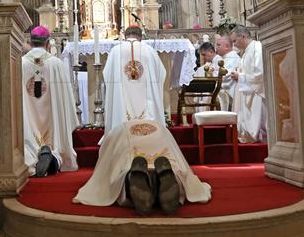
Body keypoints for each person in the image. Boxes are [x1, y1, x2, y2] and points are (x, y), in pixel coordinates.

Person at [73, 118, 211, 215]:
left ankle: (129, 178)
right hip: (158, 136)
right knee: (174, 164)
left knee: (122, 168)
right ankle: (168, 176)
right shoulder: (158, 125)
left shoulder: (118, 129)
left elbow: (104, 161)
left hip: (125, 136)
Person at [21, 26, 79, 177]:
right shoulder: (56, 64)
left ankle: (33, 156)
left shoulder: (20, 64)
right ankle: (53, 157)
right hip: (52, 125)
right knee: (56, 145)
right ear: (48, 43)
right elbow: (66, 97)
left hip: (28, 123)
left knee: (29, 140)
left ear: (30, 42)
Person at [102, 25, 166, 135]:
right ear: (140, 37)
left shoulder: (116, 51)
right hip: (147, 108)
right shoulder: (149, 50)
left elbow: (107, 74)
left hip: (122, 106)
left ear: (125, 36)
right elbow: (161, 73)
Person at [229, 25, 266, 143]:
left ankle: (259, 135)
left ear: (243, 36)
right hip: (250, 90)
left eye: (235, 41)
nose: (234, 45)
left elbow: (260, 74)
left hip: (257, 93)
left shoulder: (257, 48)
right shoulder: (246, 52)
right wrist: (239, 74)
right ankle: (249, 134)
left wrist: (239, 77)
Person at [215, 35, 241, 111]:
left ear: (226, 46)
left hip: (229, 92)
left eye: (219, 45)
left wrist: (214, 75)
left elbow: (226, 76)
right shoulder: (226, 57)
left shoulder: (232, 58)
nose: (216, 47)